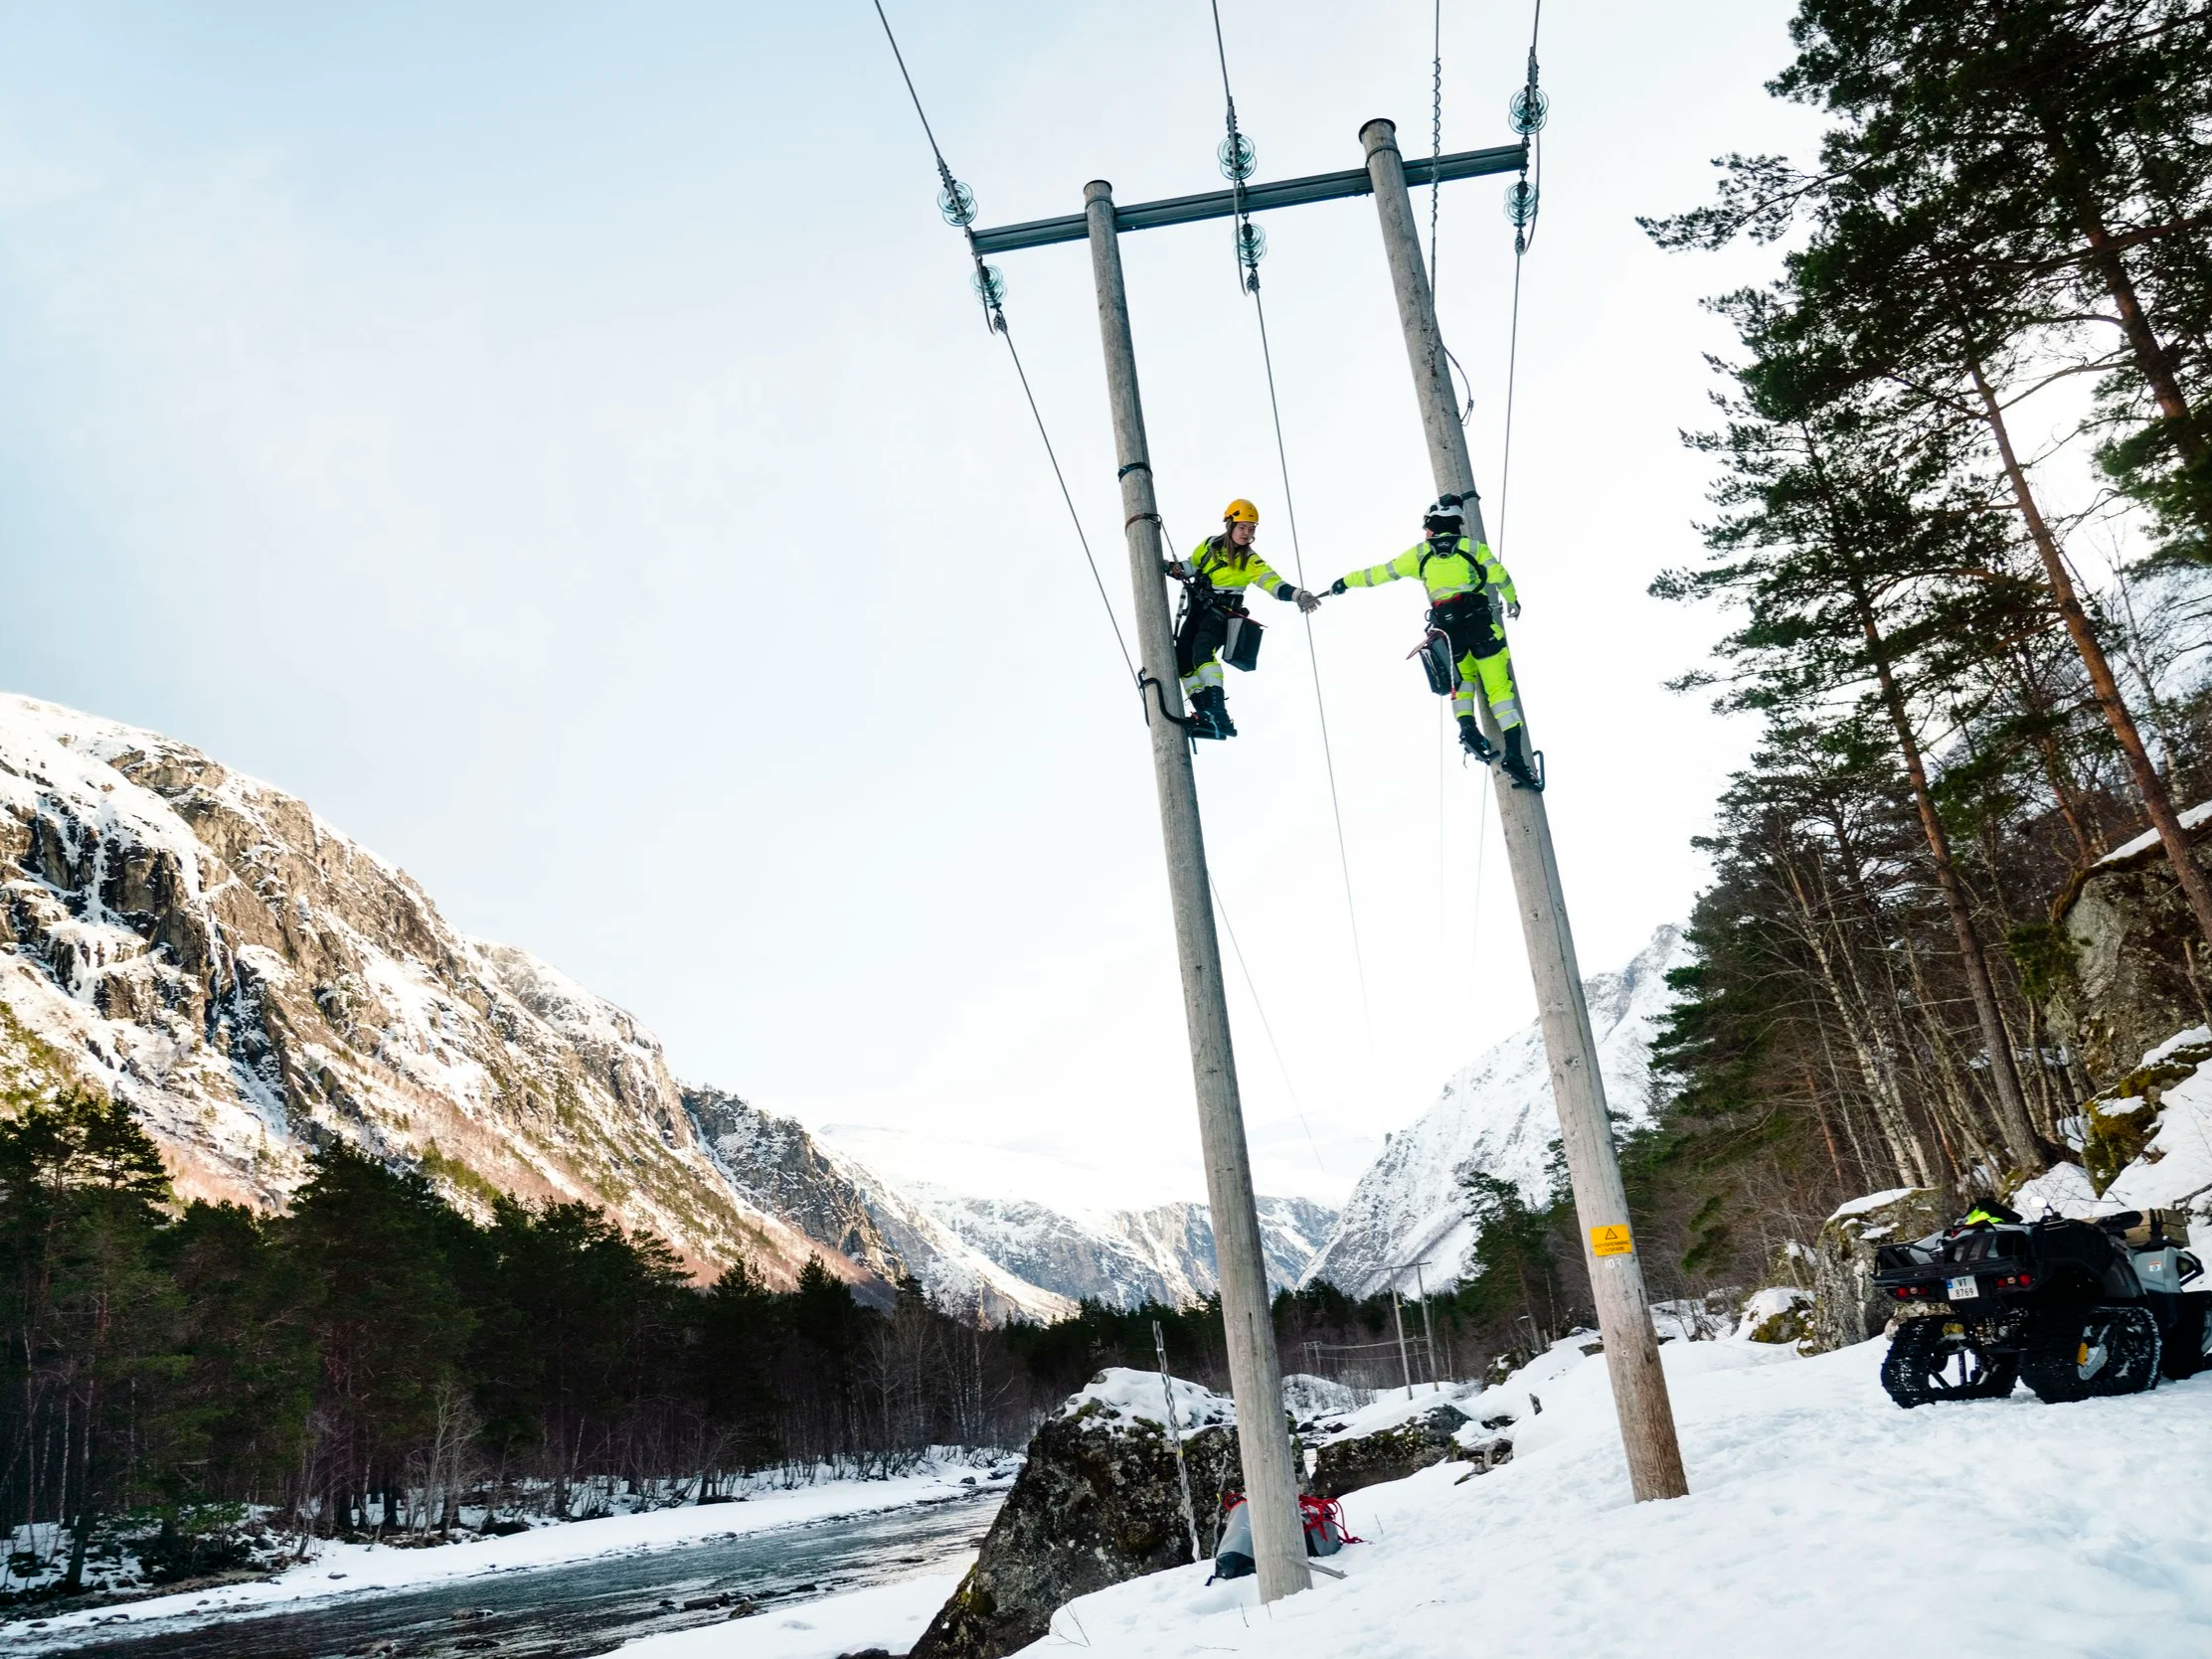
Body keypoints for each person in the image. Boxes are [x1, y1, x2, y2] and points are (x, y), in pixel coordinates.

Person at [1327, 494, 1539, 789]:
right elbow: (1500, 574)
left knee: (1462, 681)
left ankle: (1467, 729)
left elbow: (1380, 573)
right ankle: (1515, 755)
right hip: (1480, 625)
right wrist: (1513, 600)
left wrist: (1344, 582)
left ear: (1432, 525)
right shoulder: (1472, 547)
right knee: (1499, 690)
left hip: (1448, 632)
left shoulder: (1419, 555)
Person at [1168, 498, 1320, 741]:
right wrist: (1176, 568)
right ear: (1229, 524)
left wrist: (1298, 595)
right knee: (1182, 661)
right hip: (1198, 610)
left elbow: (1272, 583)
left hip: (1220, 614)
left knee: (1202, 653)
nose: (1247, 533)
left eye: (1251, 529)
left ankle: (1218, 713)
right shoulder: (1209, 545)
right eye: (1242, 527)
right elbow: (1193, 565)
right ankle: (1205, 713)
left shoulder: (1250, 560)